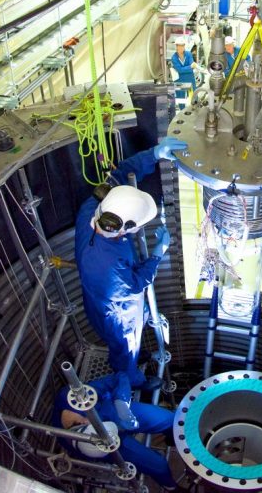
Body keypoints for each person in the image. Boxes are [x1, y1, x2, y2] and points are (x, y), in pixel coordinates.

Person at [74, 138, 187, 407]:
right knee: (125, 348)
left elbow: (120, 174)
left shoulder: (94, 210)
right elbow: (138, 283)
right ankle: (133, 377)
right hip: (118, 313)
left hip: (115, 298)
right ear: (126, 229)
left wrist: (154, 153)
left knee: (135, 334)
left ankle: (136, 360)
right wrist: (158, 253)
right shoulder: (107, 265)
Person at [52, 374, 178, 491]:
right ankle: (171, 487)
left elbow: (119, 376)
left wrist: (121, 401)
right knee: (159, 465)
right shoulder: (81, 445)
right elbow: (101, 451)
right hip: (114, 442)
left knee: (171, 420)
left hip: (117, 412)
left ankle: (173, 437)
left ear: (84, 422)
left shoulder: (75, 395)